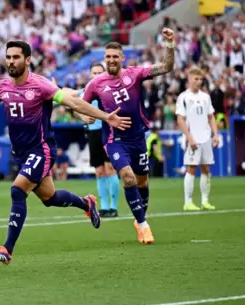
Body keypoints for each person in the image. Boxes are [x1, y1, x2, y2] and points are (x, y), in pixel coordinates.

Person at [0, 40, 131, 264]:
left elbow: (72, 102)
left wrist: (104, 116)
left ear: (28, 60)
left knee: (17, 190)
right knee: (49, 198)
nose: (11, 61)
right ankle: (87, 203)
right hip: (22, 153)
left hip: (41, 149)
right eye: (9, 57)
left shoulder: (41, 86)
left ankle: (7, 248)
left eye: (16, 57)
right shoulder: (2, 87)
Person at [81, 28, 176, 245]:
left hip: (138, 138)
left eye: (115, 56)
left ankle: (139, 218)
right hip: (114, 140)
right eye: (108, 57)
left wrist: (169, 45)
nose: (111, 60)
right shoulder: (96, 84)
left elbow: (167, 66)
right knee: (127, 176)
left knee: (142, 181)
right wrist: (84, 116)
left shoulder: (134, 74)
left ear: (122, 58)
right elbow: (81, 105)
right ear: (104, 59)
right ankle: (143, 225)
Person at [77, 63, 120, 218]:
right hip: (92, 134)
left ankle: (114, 207)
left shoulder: (110, 90)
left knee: (110, 169)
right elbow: (73, 104)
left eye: (99, 73)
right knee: (99, 171)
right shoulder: (85, 91)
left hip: (107, 131)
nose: (96, 75)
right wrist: (82, 116)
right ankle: (104, 207)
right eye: (93, 73)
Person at [176, 67, 219, 211]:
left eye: (200, 79)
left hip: (205, 137)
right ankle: (188, 202)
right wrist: (189, 137)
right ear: (189, 79)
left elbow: (211, 116)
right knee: (191, 169)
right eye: (196, 79)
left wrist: (216, 134)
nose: (199, 82)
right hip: (192, 139)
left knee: (206, 168)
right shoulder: (183, 97)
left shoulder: (205, 97)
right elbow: (180, 119)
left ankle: (205, 201)